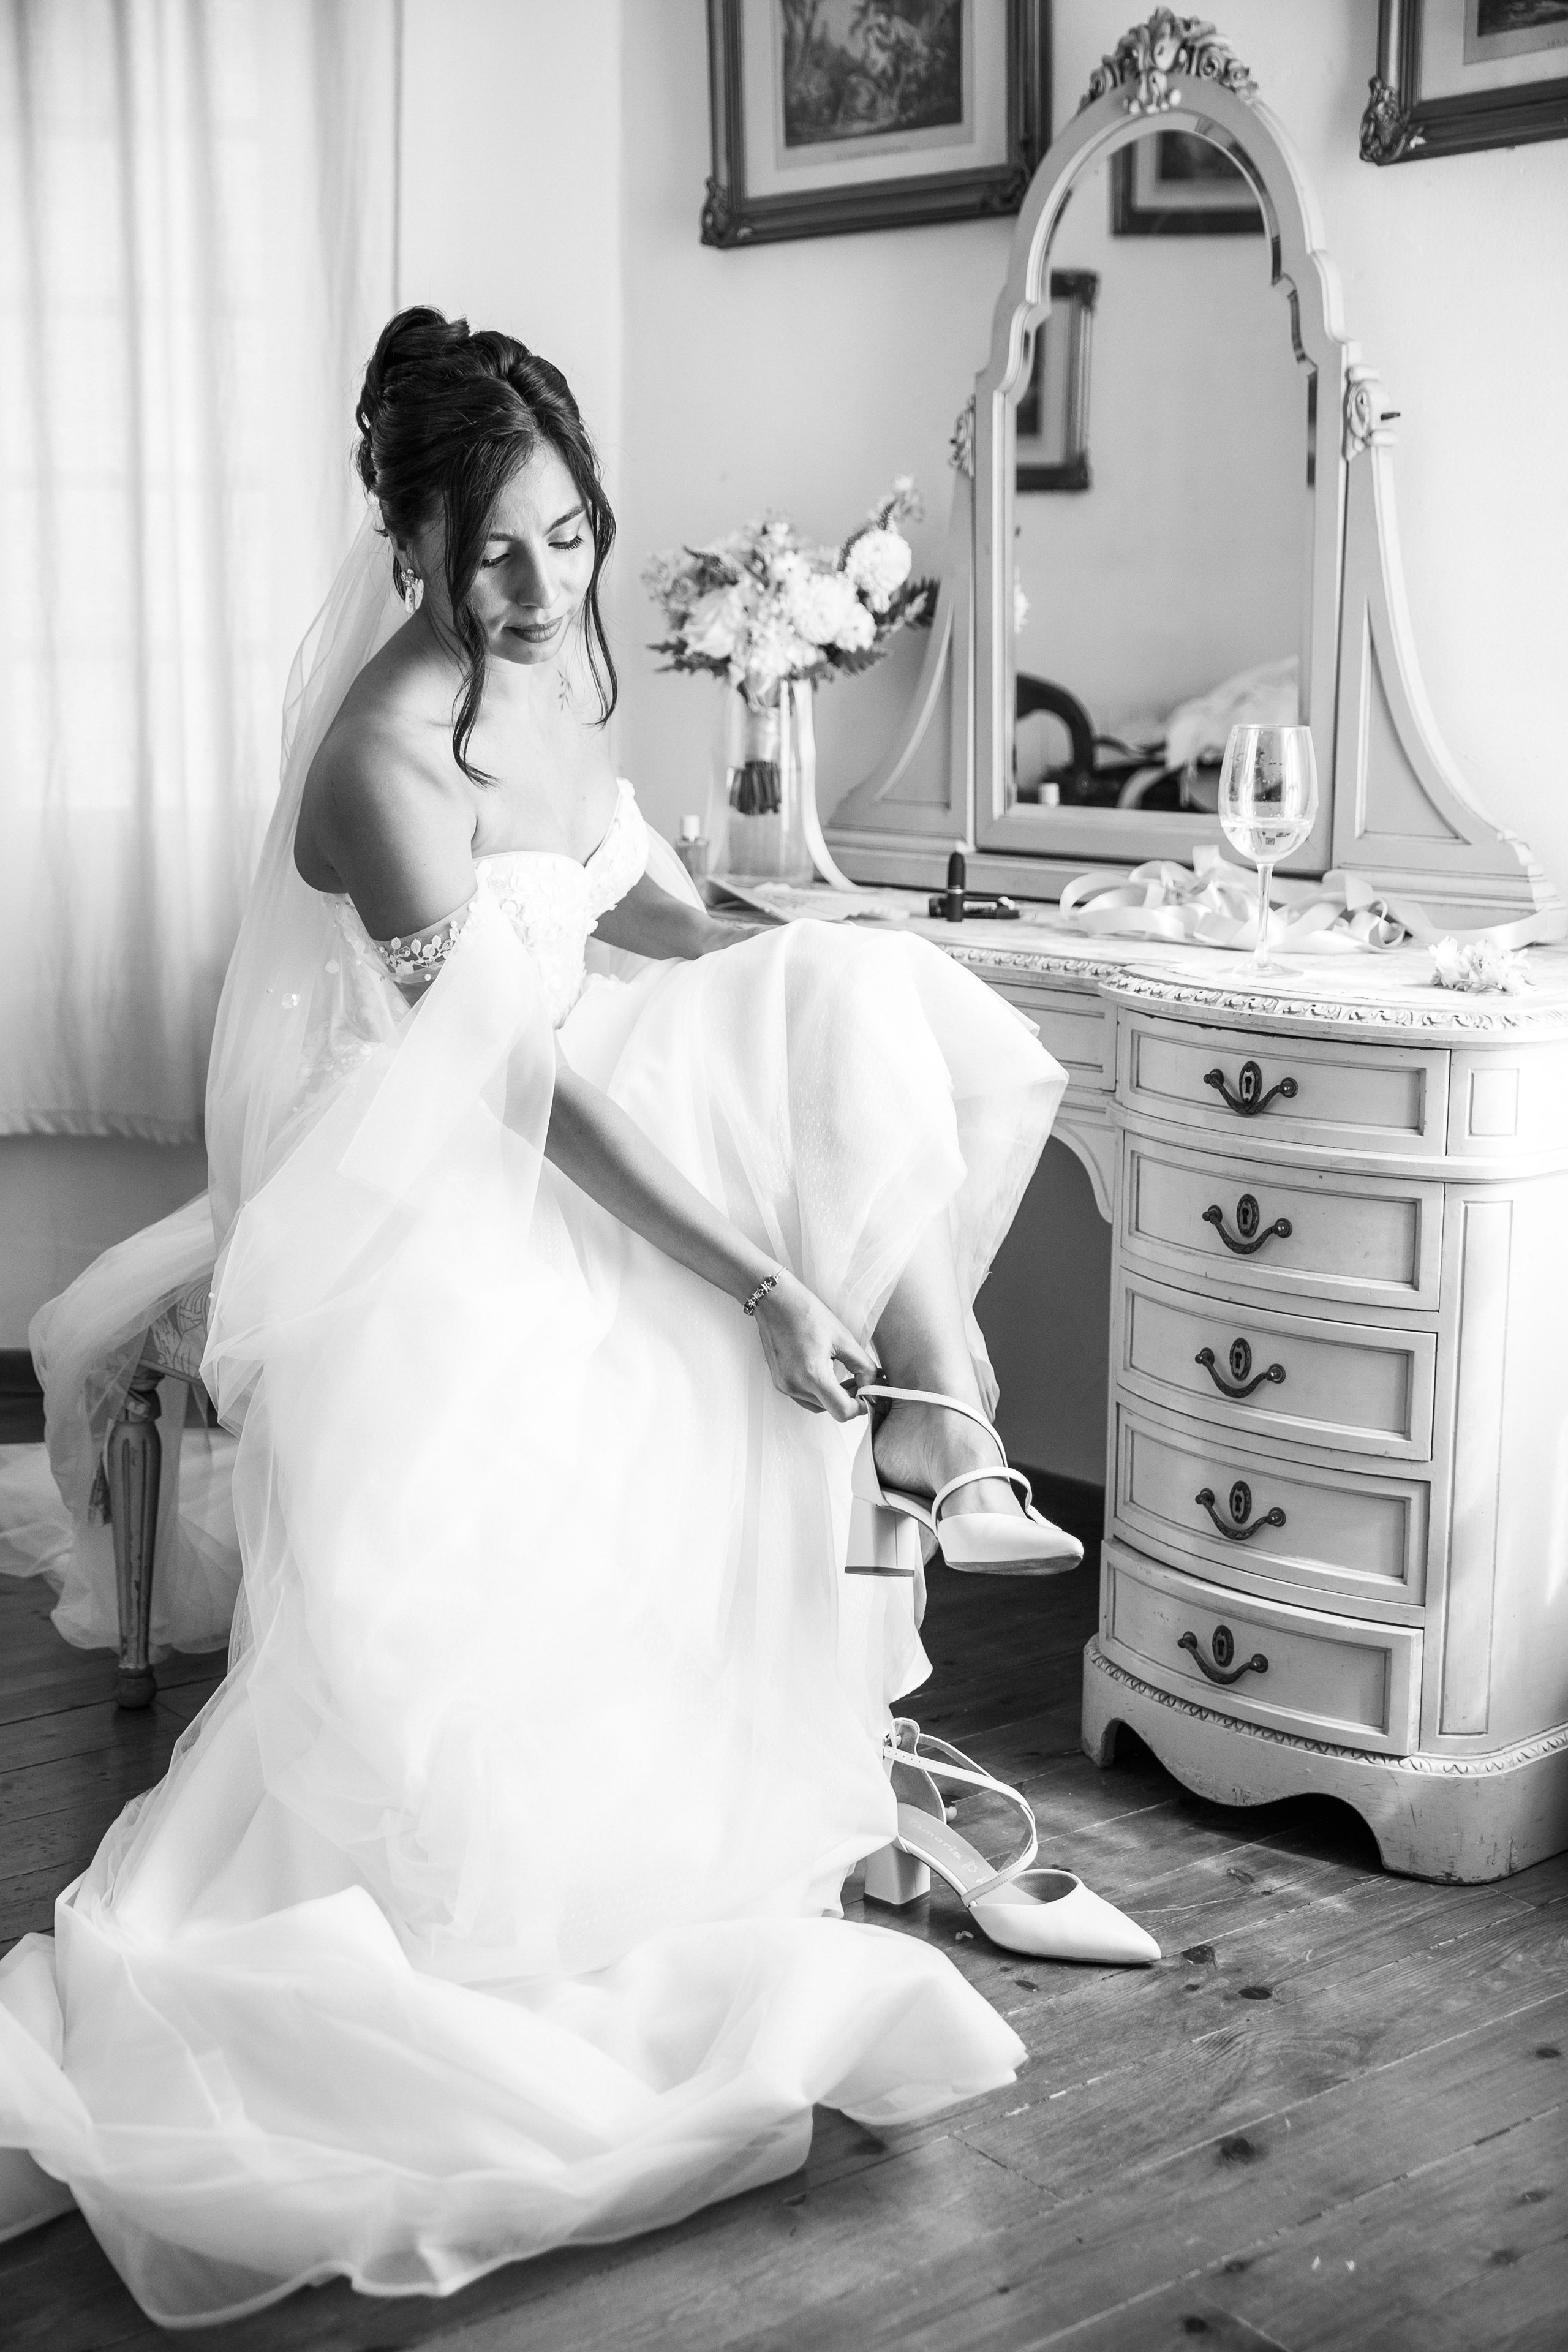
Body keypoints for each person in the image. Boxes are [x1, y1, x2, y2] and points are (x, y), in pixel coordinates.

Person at [0, 311, 1145, 2328]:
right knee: (695, 1299)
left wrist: (810, 946)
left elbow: (633, 911)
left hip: (569, 1085)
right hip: (445, 1174)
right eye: (497, 554)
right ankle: (910, 1462)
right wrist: (761, 1270)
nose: (545, 591)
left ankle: (935, 1430)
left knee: (859, 997)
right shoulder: (373, 763)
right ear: (415, 544)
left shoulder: (562, 662)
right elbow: (523, 1084)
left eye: (568, 538)